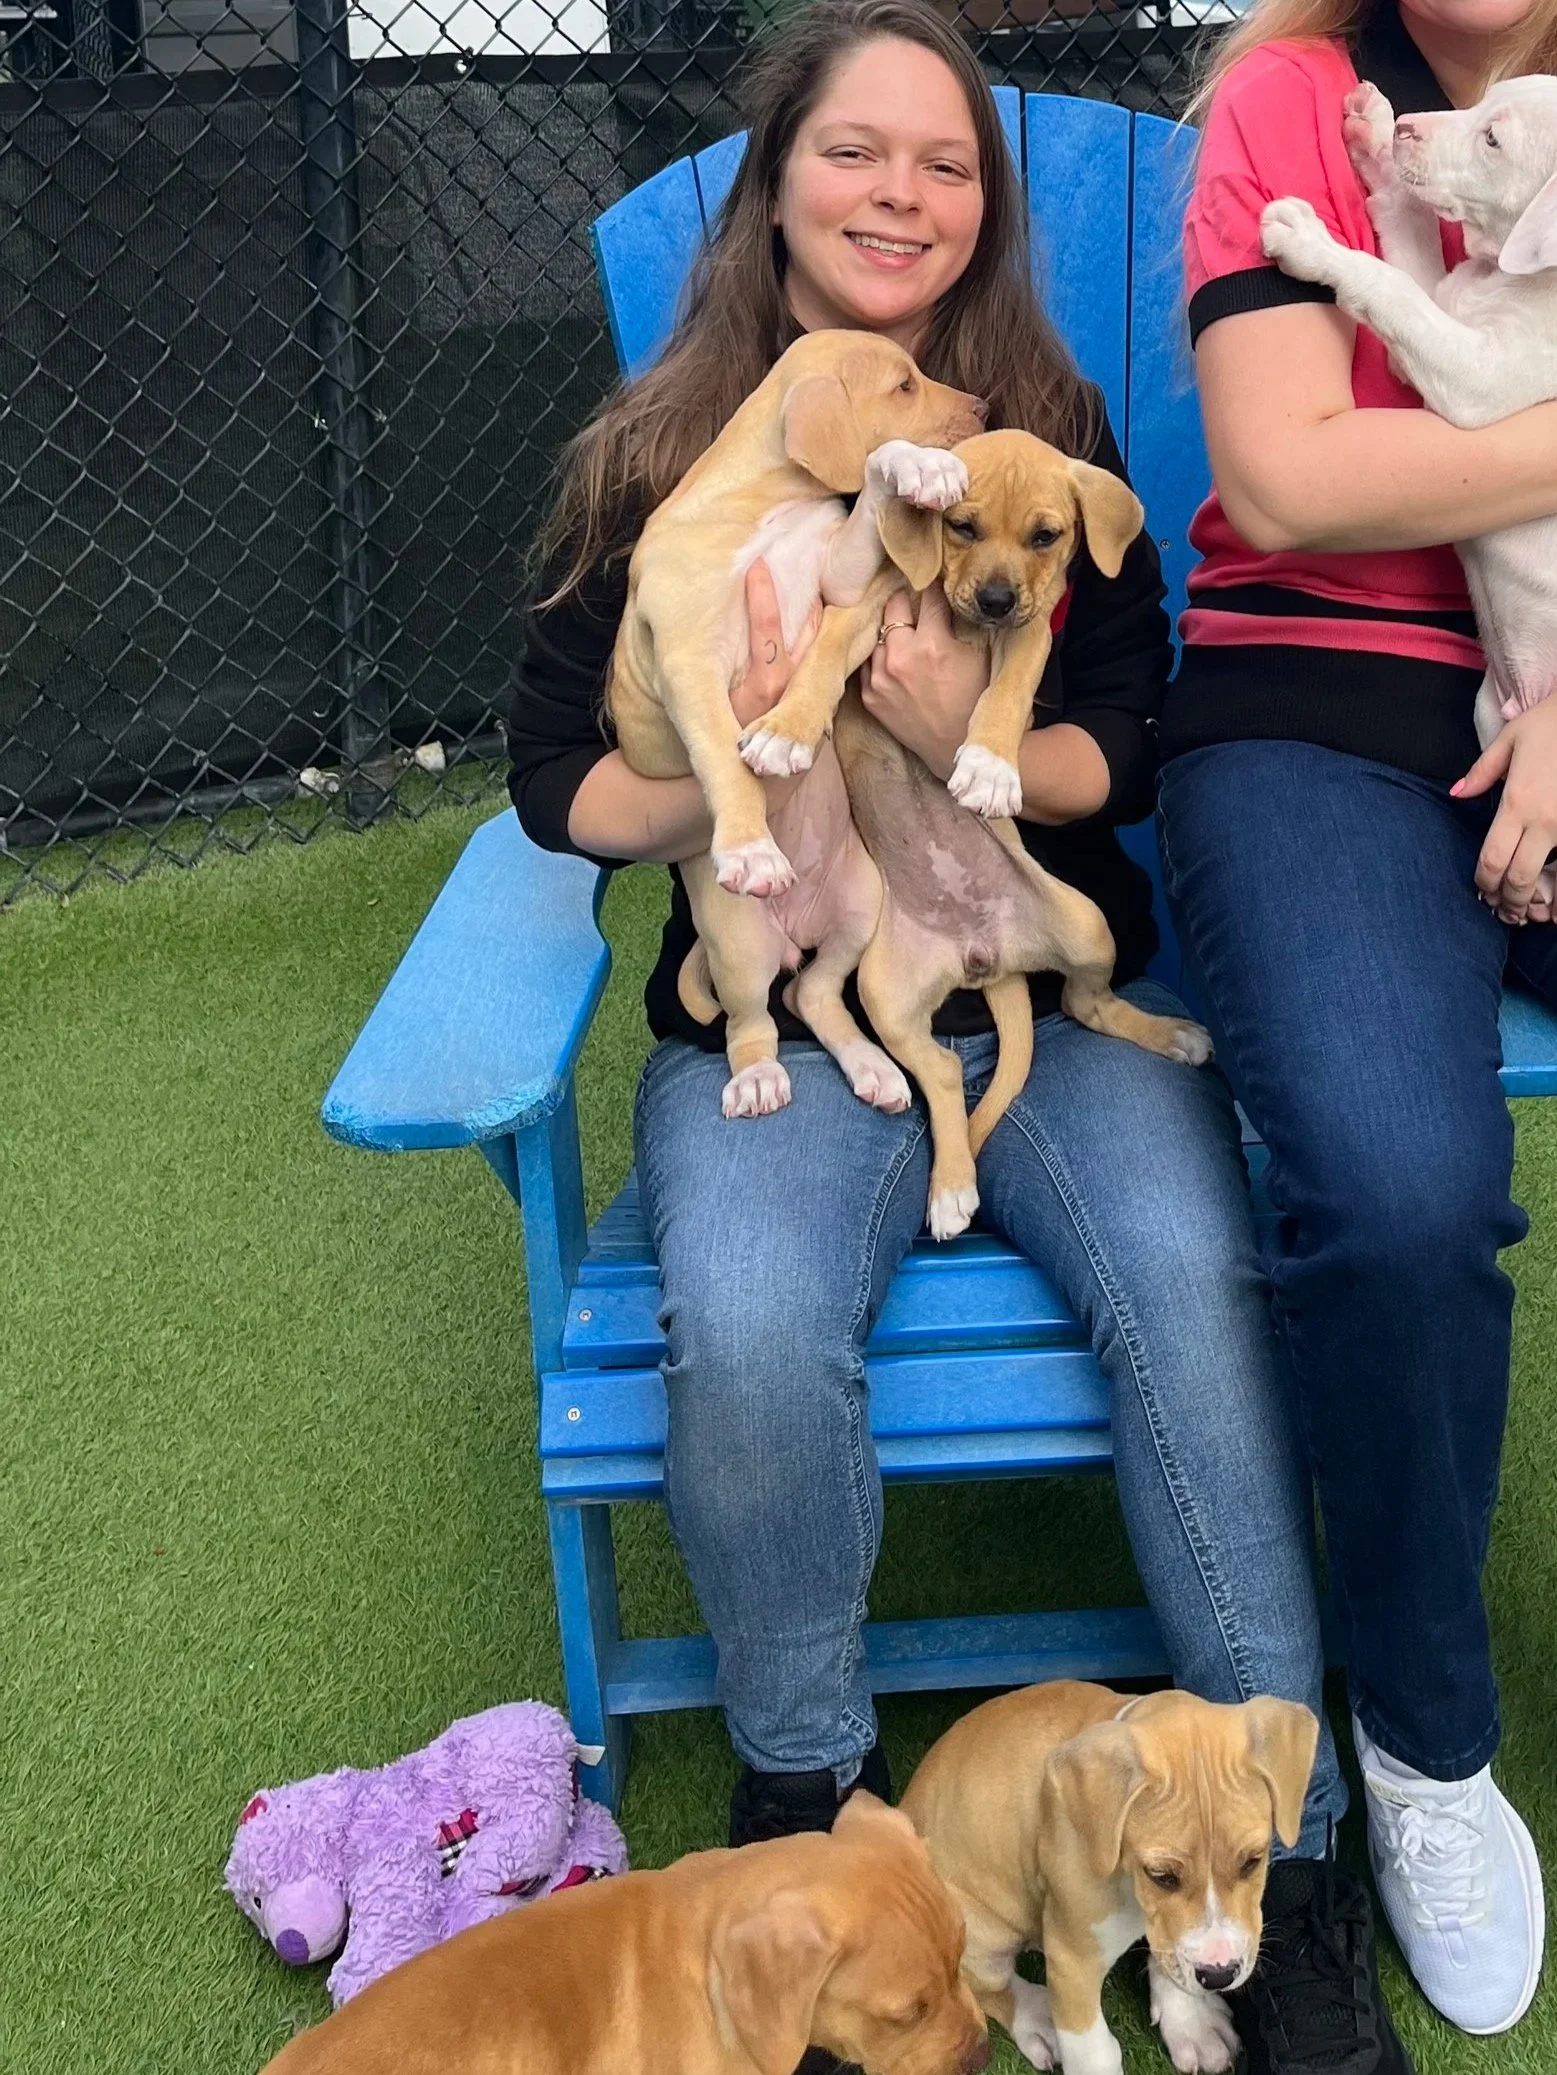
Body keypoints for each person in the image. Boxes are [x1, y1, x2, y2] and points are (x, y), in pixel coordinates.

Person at [510, 3, 1367, 2068]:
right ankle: (806, 1781)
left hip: (1019, 974)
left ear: (986, 207)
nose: (902, 193)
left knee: (1187, 1270)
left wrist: (945, 732)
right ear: (770, 185)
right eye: (855, 153)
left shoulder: (1043, 431)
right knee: (741, 1286)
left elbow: (1131, 732)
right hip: (796, 985)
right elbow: (559, 785)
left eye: (945, 163)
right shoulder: (667, 463)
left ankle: (1280, 1846)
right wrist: (718, 742)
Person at [1162, 0, 1557, 2051]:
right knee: (1402, 1195)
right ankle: (1418, 1737)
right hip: (1312, 709)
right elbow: (1294, 474)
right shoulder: (1293, 99)